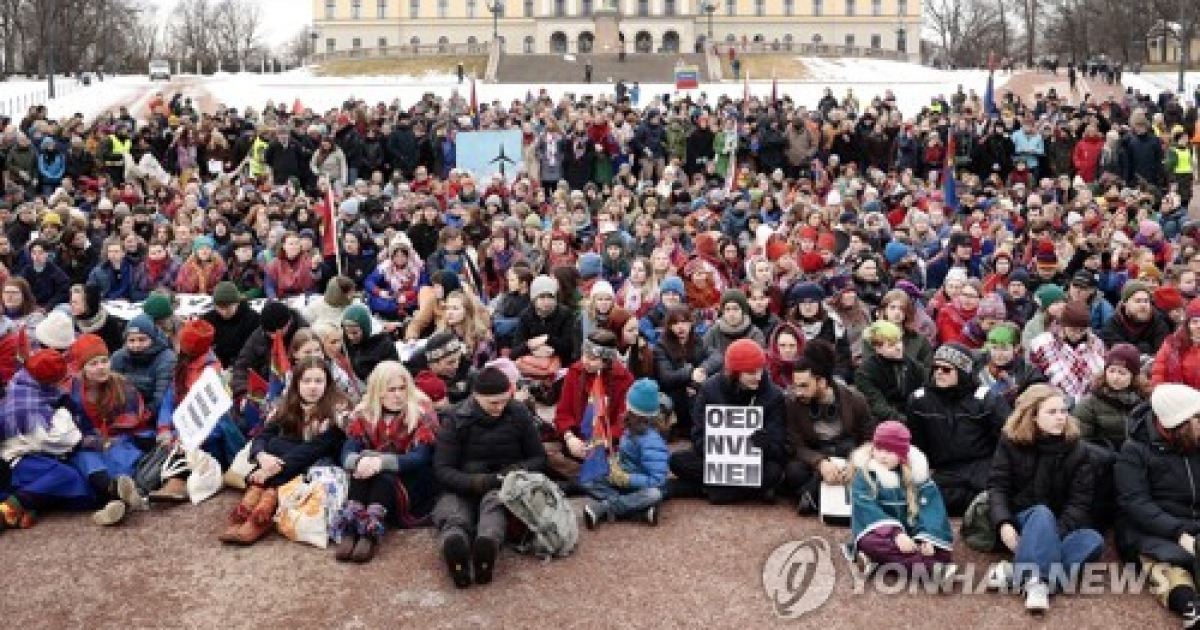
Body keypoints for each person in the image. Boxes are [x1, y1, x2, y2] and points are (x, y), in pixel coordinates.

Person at [987, 384, 1102, 613]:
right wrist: (1004, 524)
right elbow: (997, 486)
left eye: (1063, 411)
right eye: (1052, 412)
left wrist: (1051, 537)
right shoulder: (1011, 441)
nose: (1061, 417)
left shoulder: (1078, 449)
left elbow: (1079, 503)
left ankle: (1017, 574)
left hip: (1058, 525)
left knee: (1092, 540)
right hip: (1020, 521)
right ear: (1033, 416)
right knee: (1040, 512)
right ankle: (1038, 584)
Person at [432, 366, 547, 588]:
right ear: (476, 396)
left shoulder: (519, 413)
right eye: (493, 403)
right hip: (463, 484)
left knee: (494, 507)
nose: (500, 407)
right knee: (454, 512)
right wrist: (476, 482)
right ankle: (455, 548)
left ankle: (486, 546)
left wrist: (514, 471)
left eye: (504, 401)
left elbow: (539, 458)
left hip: (503, 483)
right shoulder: (455, 418)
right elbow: (442, 469)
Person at [220, 358, 348, 545]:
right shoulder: (289, 405)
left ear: (327, 384)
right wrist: (262, 456)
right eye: (306, 381)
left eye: (319, 381)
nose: (313, 387)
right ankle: (251, 505)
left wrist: (272, 469)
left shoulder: (337, 412)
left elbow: (314, 449)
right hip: (287, 462)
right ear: (297, 383)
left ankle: (262, 513)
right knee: (275, 444)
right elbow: (263, 435)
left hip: (318, 463)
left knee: (280, 446)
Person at [336, 361, 440, 563]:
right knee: (359, 474)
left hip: (412, 480)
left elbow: (420, 457)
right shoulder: (364, 413)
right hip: (374, 477)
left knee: (383, 477)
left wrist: (379, 462)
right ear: (377, 391)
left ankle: (370, 533)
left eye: (402, 388)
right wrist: (359, 462)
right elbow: (347, 451)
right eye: (391, 390)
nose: (398, 395)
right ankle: (351, 529)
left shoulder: (421, 413)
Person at [1115, 383, 1200, 627]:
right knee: (1166, 564)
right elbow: (1135, 503)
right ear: (1179, 422)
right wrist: (1179, 533)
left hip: (1194, 522)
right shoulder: (1134, 450)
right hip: (1152, 528)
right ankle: (1189, 606)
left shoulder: (1195, 440)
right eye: (1197, 417)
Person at [668, 339, 787, 504]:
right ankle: (745, 491)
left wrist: (765, 444)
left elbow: (778, 446)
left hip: (754, 462)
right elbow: (698, 436)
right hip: (718, 460)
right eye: (751, 373)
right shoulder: (709, 389)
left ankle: (703, 489)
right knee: (677, 461)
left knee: (773, 471)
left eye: (761, 370)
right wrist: (719, 450)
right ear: (735, 373)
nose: (759, 377)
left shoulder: (774, 395)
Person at [907, 343, 1010, 515]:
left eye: (946, 369)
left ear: (963, 372)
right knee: (926, 498)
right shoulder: (920, 400)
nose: (939, 373)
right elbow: (916, 443)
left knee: (996, 495)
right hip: (945, 469)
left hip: (982, 466)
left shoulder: (986, 399)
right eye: (936, 368)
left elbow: (1006, 439)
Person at [847, 421, 954, 581]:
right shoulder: (865, 475)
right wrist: (896, 534)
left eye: (889, 451)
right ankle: (933, 569)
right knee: (871, 543)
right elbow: (867, 510)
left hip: (913, 533)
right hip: (884, 535)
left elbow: (932, 508)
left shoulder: (917, 474)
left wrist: (927, 538)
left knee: (942, 550)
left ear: (902, 453)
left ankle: (878, 562)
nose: (882, 455)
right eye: (879, 449)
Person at [0, 351, 94, 529]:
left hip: (25, 459)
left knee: (71, 485)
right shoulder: (33, 406)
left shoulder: (18, 387)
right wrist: (65, 411)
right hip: (20, 463)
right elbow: (65, 440)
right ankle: (11, 508)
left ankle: (30, 508)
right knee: (70, 478)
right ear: (51, 382)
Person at [65, 333, 150, 526]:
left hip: (119, 441)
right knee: (88, 461)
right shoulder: (70, 393)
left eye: (104, 361)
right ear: (82, 368)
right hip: (84, 445)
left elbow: (136, 422)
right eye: (93, 364)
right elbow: (68, 431)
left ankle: (114, 503)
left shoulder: (122, 386)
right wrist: (95, 441)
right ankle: (117, 498)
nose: (101, 367)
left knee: (121, 457)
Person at [784, 340, 874, 513]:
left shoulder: (855, 399)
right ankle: (819, 489)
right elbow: (796, 445)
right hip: (817, 454)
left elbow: (869, 439)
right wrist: (820, 463)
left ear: (822, 382)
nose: (798, 392)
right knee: (794, 472)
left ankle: (811, 495)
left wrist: (855, 462)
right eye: (796, 385)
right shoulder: (792, 403)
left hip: (847, 453)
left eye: (804, 386)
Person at [548, 329, 634, 484]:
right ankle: (592, 479)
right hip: (577, 442)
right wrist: (569, 438)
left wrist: (601, 443)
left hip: (607, 446)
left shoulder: (624, 379)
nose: (585, 361)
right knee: (544, 453)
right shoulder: (575, 371)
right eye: (584, 355)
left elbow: (624, 422)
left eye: (592, 358)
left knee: (626, 459)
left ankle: (584, 480)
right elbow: (563, 411)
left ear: (607, 360)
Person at [582, 378, 669, 528]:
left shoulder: (652, 440)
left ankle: (606, 508)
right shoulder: (630, 426)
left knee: (654, 494)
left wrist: (628, 479)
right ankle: (636, 510)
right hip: (623, 480)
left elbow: (658, 480)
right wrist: (613, 463)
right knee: (588, 479)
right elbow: (625, 456)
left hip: (641, 486)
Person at [1028, 300, 1106, 406]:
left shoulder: (1096, 345)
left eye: (1082, 330)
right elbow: (1034, 376)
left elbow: (1100, 376)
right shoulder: (1043, 344)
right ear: (1064, 325)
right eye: (1073, 329)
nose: (1077, 334)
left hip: (1089, 405)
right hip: (1052, 402)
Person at [1074, 343, 1147, 450]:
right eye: (1111, 371)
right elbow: (1082, 443)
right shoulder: (1089, 403)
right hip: (1102, 455)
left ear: (1133, 376)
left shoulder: (1144, 400)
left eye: (1122, 373)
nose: (1115, 377)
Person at [855, 321, 925, 427]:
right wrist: (908, 422)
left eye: (899, 341)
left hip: (913, 417)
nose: (898, 347)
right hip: (884, 423)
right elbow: (878, 406)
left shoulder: (915, 367)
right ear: (878, 348)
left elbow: (924, 396)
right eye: (891, 345)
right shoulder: (865, 373)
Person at [109, 313, 176, 419]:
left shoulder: (167, 358)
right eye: (131, 340)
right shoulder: (118, 357)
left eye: (142, 339)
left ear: (153, 339)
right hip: (123, 413)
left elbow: (161, 400)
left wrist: (139, 417)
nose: (136, 345)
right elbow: (111, 391)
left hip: (153, 417)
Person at [976, 322, 1046, 407]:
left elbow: (1037, 400)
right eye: (994, 348)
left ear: (1016, 348)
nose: (998, 354)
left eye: (1004, 349)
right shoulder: (979, 362)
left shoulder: (1029, 373)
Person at [1100, 281, 1172, 362]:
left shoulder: (1158, 322)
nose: (1143, 305)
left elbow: (1163, 354)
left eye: (1146, 301)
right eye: (1138, 301)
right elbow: (1119, 354)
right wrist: (1145, 348)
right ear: (1125, 303)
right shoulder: (1113, 324)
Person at [700, 289, 766, 375]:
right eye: (727, 309)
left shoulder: (755, 334)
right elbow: (702, 354)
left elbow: (759, 365)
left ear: (743, 311)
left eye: (735, 309)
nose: (731, 314)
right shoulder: (713, 332)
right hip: (716, 378)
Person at [201, 281, 262, 369]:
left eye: (228, 308)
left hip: (243, 367)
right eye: (220, 308)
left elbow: (257, 351)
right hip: (215, 367)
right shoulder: (208, 319)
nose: (224, 312)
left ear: (237, 303)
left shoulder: (253, 320)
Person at [341, 304, 399, 382]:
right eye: (347, 332)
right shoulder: (346, 338)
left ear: (365, 329)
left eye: (355, 333)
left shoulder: (383, 345)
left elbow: (395, 372)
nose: (350, 337)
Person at [1152, 297, 1200, 389]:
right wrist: (1160, 390)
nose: (1199, 326)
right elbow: (1159, 371)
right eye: (1195, 322)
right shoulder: (1172, 344)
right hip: (1175, 393)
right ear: (1187, 324)